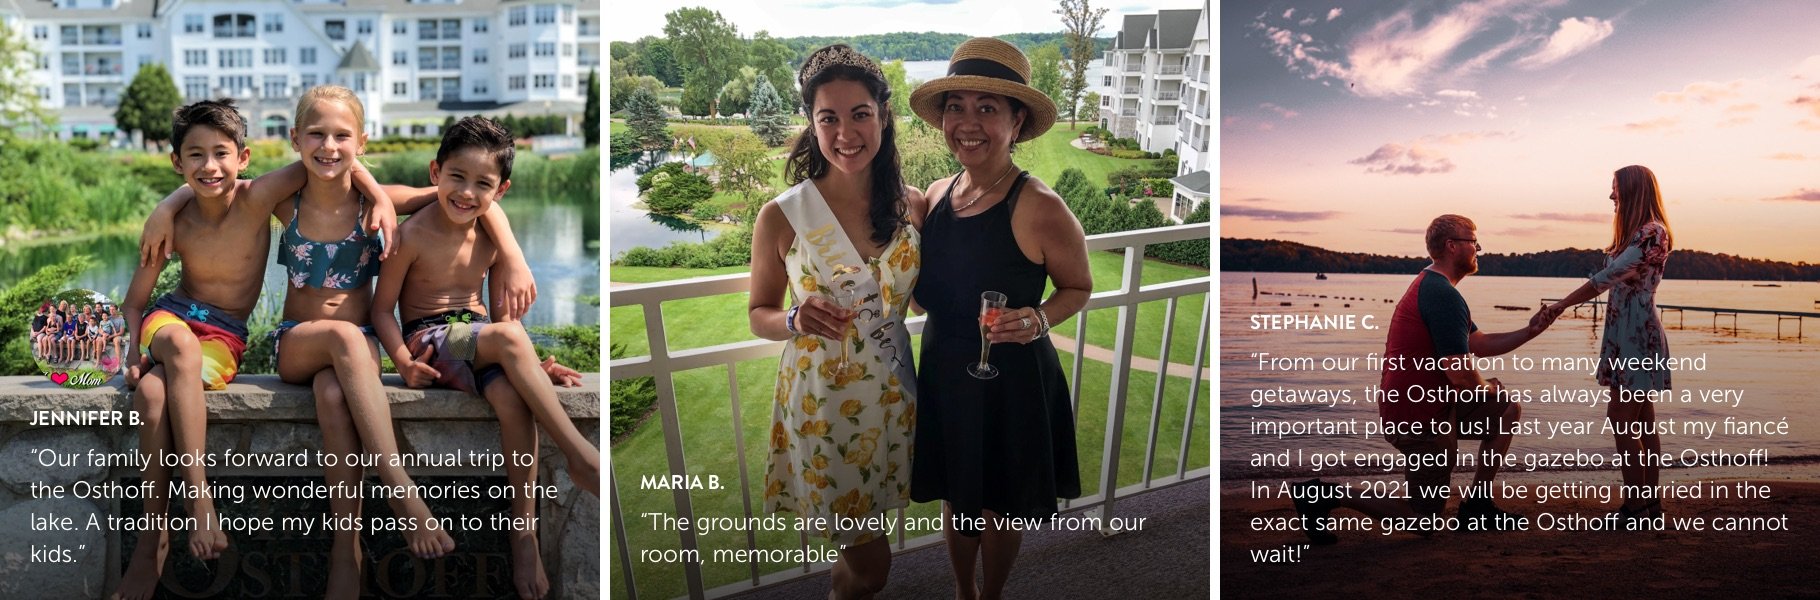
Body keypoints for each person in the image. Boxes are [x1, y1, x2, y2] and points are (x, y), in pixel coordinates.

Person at [371, 116, 600, 600]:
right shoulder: (412, 234)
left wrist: (530, 371)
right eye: (457, 177)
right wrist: (400, 361)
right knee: (510, 341)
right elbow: (381, 309)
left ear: (502, 190)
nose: (466, 193)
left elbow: (501, 321)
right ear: (435, 172)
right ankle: (581, 457)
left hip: (479, 341)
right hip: (428, 339)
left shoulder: (493, 241)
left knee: (515, 403)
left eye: (483, 184)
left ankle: (523, 532)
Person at [906, 38, 1092, 600]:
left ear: (1016, 122)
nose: (968, 122)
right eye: (956, 106)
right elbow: (922, 297)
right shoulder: (938, 194)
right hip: (944, 368)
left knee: (996, 505)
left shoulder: (1040, 205)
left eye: (987, 108)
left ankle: (991, 596)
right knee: (956, 496)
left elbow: (1078, 286)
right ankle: (964, 592)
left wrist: (1037, 318)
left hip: (1010, 378)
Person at [746, 44, 925, 600]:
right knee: (871, 562)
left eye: (860, 114)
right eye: (829, 118)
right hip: (823, 402)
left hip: (894, 394)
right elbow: (759, 316)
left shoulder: (912, 204)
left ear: (883, 115)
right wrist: (796, 317)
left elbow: (921, 300)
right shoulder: (781, 215)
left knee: (863, 550)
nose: (846, 132)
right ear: (812, 124)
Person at [1292, 215, 1552, 543]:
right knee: (1424, 519)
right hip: (1419, 419)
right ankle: (1322, 495)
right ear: (1451, 246)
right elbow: (1460, 374)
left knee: (1505, 410)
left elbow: (1479, 345)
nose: (1478, 249)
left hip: (1435, 406)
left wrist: (1531, 331)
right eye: (1473, 241)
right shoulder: (1440, 294)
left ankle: (1478, 506)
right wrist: (1486, 386)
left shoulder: (1437, 289)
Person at [114, 99, 280, 600]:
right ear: (177, 163)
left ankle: (153, 538)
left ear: (243, 157)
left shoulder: (257, 200)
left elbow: (330, 161)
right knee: (178, 347)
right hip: (171, 318)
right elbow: (134, 304)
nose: (210, 166)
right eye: (195, 155)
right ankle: (200, 500)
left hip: (224, 337)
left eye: (221, 153)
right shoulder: (175, 224)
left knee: (154, 397)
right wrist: (129, 353)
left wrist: (393, 200)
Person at [1539, 165, 1674, 525]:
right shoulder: (1636, 234)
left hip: (1636, 339)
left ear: (1632, 191)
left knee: (1622, 420)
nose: (1611, 196)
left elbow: (1605, 279)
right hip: (1623, 336)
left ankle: (1636, 508)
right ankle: (1650, 506)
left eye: (1616, 189)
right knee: (1642, 423)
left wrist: (1561, 305)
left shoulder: (1652, 234)